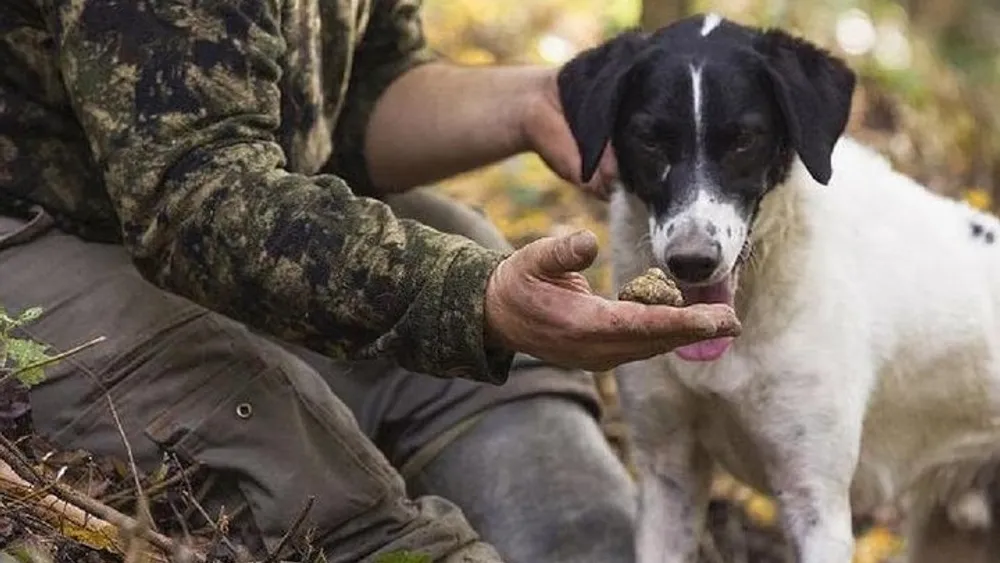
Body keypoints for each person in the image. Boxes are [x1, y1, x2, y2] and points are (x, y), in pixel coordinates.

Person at [0, 0, 740, 561]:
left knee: (482, 282)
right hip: (31, 231)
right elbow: (192, 198)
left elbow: (349, 103)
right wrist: (470, 299)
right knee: (305, 472)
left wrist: (526, 103)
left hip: (173, 205)